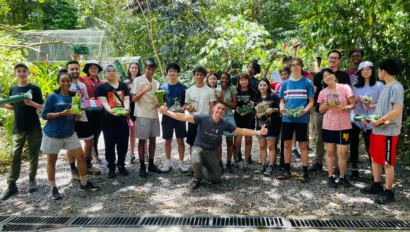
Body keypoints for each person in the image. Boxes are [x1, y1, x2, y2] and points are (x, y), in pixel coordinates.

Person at [159, 102, 268, 190]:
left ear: (224, 113)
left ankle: (199, 170)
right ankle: (197, 177)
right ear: (213, 110)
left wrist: (258, 132)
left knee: (216, 179)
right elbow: (184, 117)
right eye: (218, 108)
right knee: (196, 161)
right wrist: (167, 113)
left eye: (222, 109)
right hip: (199, 148)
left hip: (211, 152)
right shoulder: (203, 118)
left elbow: (240, 130)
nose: (220, 110)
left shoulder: (224, 124)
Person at [41, 71, 100, 200]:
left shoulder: (75, 97)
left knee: (81, 157)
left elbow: (77, 118)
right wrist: (61, 113)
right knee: (52, 161)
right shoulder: (53, 97)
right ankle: (54, 188)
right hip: (53, 133)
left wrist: (79, 111)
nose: (66, 83)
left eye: (68, 81)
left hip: (69, 133)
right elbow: (45, 115)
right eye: (63, 81)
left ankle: (84, 183)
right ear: (59, 82)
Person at [360, 58, 404, 204]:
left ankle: (389, 192)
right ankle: (377, 184)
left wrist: (379, 121)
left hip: (388, 131)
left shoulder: (396, 87)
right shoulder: (386, 86)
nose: (378, 73)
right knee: (374, 158)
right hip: (377, 130)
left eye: (378, 70)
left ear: (383, 71)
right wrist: (370, 112)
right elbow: (382, 106)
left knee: (387, 162)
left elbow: (397, 111)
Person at [0, 63, 44, 201]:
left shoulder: (34, 88)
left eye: (24, 71)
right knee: (15, 155)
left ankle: (32, 180)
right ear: (15, 73)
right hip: (18, 127)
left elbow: (42, 107)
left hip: (34, 127)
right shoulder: (13, 89)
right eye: (19, 71)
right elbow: (15, 108)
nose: (21, 73)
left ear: (28, 73)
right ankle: (12, 185)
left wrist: (33, 104)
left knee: (33, 154)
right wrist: (5, 106)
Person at [310, 50, 351, 172]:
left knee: (337, 139)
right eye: (330, 58)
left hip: (339, 113)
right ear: (327, 59)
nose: (332, 60)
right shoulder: (318, 75)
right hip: (321, 110)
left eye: (335, 58)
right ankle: (318, 161)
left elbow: (348, 95)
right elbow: (314, 92)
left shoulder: (343, 76)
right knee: (319, 136)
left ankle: (337, 165)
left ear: (340, 61)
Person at [317, 68, 356, 188]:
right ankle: (330, 176)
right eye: (325, 76)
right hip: (328, 125)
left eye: (329, 74)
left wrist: (343, 107)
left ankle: (342, 176)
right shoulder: (323, 92)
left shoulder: (345, 88)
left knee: (342, 153)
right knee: (329, 152)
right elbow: (320, 110)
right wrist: (324, 105)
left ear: (334, 76)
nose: (328, 77)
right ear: (323, 80)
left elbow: (353, 104)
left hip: (343, 126)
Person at [278, 58, 314, 182]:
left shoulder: (307, 82)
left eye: (297, 65)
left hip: (302, 118)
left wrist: (304, 111)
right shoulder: (285, 83)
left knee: (303, 145)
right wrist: (282, 109)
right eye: (293, 65)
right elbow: (282, 101)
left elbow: (311, 102)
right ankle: (286, 169)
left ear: (301, 66)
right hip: (287, 118)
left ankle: (305, 171)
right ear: (290, 67)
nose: (295, 67)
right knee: (287, 143)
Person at [66, 60, 101, 180]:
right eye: (72, 69)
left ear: (79, 70)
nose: (74, 71)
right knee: (71, 143)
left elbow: (85, 100)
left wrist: (90, 101)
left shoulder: (82, 85)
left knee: (90, 141)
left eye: (76, 69)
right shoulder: (65, 85)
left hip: (83, 116)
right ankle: (73, 170)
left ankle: (87, 165)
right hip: (69, 118)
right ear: (68, 71)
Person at [349, 61, 384, 181]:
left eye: (368, 69)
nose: (365, 71)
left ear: (373, 71)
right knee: (354, 144)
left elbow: (383, 103)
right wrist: (357, 101)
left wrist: (370, 105)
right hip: (356, 118)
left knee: (371, 145)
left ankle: (375, 172)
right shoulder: (355, 86)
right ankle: (354, 169)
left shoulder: (379, 85)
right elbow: (351, 102)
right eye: (363, 70)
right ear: (359, 72)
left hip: (372, 119)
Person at [96, 64, 130, 178]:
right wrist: (111, 111)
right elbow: (104, 102)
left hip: (122, 120)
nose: (111, 73)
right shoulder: (101, 87)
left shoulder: (123, 85)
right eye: (108, 71)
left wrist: (126, 109)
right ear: (104, 74)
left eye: (113, 71)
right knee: (109, 145)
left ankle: (121, 164)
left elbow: (126, 99)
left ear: (117, 73)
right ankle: (111, 166)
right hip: (108, 121)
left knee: (123, 144)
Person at [131, 59, 163, 178]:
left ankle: (151, 164)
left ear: (155, 70)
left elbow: (155, 98)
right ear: (145, 68)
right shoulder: (138, 80)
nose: (150, 71)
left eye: (153, 69)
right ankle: (142, 166)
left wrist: (159, 104)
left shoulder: (156, 82)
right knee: (142, 140)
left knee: (153, 140)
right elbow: (134, 99)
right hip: (142, 114)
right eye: (148, 69)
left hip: (154, 113)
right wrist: (144, 90)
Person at [159, 62, 190, 173]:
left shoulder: (183, 87)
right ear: (168, 73)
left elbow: (187, 102)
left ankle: (181, 163)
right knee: (168, 141)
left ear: (178, 73)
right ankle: (168, 163)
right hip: (167, 118)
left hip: (180, 117)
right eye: (170, 71)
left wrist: (182, 108)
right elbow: (159, 102)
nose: (172, 73)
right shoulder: (162, 87)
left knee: (180, 140)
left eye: (174, 71)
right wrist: (162, 107)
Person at [184, 66, 216, 155]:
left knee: (205, 144)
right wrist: (188, 107)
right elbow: (187, 104)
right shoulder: (189, 90)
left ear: (205, 76)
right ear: (194, 76)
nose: (199, 77)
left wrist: (210, 121)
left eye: (201, 75)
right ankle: (193, 165)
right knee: (192, 143)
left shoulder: (210, 91)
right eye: (197, 74)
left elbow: (212, 107)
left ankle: (204, 165)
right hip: (193, 119)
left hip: (205, 120)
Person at [254, 78, 282, 176]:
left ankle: (270, 166)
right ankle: (262, 164)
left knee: (271, 146)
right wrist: (258, 114)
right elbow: (255, 111)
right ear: (258, 86)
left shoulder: (274, 96)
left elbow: (280, 109)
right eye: (260, 85)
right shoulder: (256, 98)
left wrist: (273, 110)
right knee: (262, 145)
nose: (262, 87)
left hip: (272, 124)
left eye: (264, 85)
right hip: (260, 124)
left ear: (268, 86)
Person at [80, 60, 105, 164]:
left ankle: (93, 154)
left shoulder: (103, 82)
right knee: (89, 135)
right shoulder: (83, 79)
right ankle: (91, 155)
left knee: (97, 133)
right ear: (87, 70)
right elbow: (71, 76)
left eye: (95, 67)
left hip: (100, 112)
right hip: (88, 111)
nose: (93, 69)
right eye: (91, 68)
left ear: (98, 69)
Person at [125, 62, 148, 163]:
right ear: (129, 69)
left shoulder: (143, 81)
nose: (134, 69)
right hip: (130, 108)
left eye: (136, 68)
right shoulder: (125, 82)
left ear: (139, 70)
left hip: (141, 107)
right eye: (132, 67)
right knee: (132, 131)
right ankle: (131, 153)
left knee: (143, 131)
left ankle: (145, 153)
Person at [234, 73, 256, 171]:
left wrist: (253, 104)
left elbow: (257, 104)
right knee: (237, 142)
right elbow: (233, 104)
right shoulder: (235, 91)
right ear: (238, 81)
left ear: (248, 81)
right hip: (238, 118)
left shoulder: (253, 92)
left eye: (245, 80)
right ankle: (235, 160)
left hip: (249, 119)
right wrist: (236, 108)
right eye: (241, 80)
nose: (243, 82)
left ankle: (246, 161)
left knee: (248, 140)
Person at [216, 72, 237, 173]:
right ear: (219, 79)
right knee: (218, 141)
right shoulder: (215, 89)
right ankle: (219, 163)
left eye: (226, 79)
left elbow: (234, 105)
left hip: (228, 116)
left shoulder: (232, 89)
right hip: (218, 117)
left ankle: (229, 162)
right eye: (222, 78)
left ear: (229, 80)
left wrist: (224, 100)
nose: (224, 80)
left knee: (229, 141)